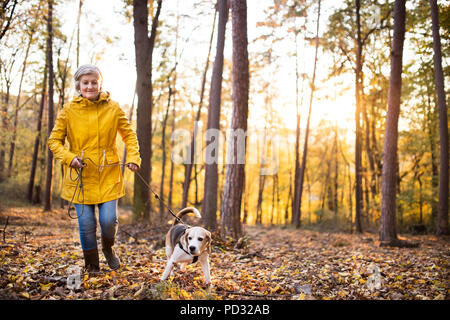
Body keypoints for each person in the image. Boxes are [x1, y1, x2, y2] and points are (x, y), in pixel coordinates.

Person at [48, 64, 141, 273]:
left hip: (108, 175)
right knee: (86, 224)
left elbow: (129, 135)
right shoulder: (68, 111)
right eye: (85, 82)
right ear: (79, 85)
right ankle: (92, 264)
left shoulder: (113, 108)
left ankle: (108, 249)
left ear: (100, 83)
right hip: (80, 178)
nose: (90, 86)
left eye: (94, 82)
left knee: (108, 220)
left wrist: (134, 157)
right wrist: (69, 157)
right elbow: (54, 141)